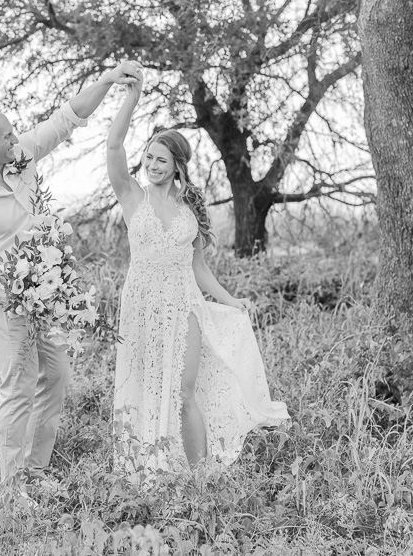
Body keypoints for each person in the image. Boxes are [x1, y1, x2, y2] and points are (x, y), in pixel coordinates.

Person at [0, 61, 142, 485]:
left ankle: (36, 471)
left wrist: (107, 80)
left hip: (49, 294)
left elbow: (68, 118)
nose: (17, 140)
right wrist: (1, 295)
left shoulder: (22, 156)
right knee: (16, 389)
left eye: (15, 133)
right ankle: (12, 486)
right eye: (7, 137)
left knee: (55, 377)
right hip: (8, 304)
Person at [106, 72, 289, 473]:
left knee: (184, 390)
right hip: (141, 303)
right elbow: (114, 145)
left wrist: (230, 300)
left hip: (183, 302)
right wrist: (130, 100)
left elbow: (199, 268)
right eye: (149, 157)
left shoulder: (190, 209)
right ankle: (150, 466)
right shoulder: (131, 195)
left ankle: (200, 478)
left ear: (177, 166)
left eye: (161, 160)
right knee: (144, 386)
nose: (152, 165)